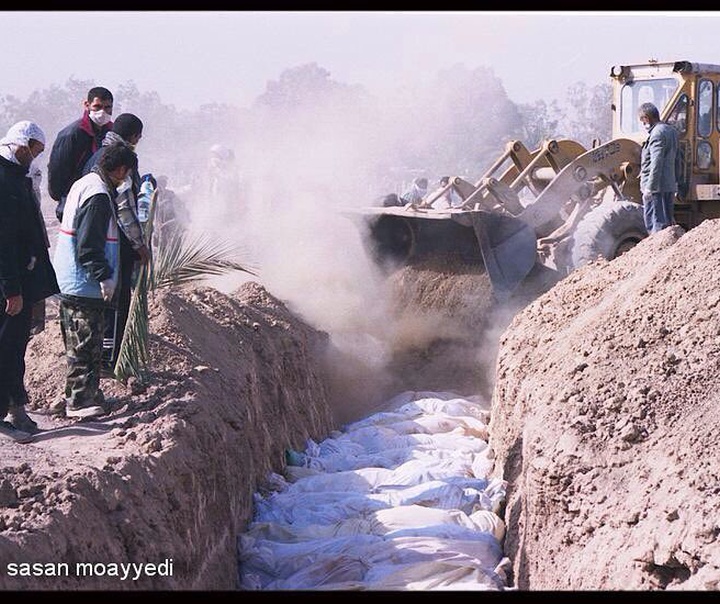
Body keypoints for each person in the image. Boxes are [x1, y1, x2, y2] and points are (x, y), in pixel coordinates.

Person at [52, 144, 139, 419]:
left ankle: (85, 394)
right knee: (86, 347)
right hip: (84, 284)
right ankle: (78, 402)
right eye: (126, 175)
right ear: (122, 170)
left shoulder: (86, 184)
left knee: (81, 343)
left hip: (72, 281)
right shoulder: (99, 196)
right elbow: (89, 245)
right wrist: (103, 276)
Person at [0, 121, 59, 439]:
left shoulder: (16, 178)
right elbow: (3, 241)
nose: (34, 157)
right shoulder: (4, 180)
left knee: (14, 347)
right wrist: (11, 288)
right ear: (21, 145)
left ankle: (16, 408)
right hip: (9, 283)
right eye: (34, 150)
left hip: (23, 278)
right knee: (5, 347)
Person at [82, 113, 151, 374]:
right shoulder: (122, 160)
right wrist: (139, 244)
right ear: (134, 136)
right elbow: (124, 208)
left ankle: (104, 357)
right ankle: (112, 360)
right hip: (116, 244)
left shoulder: (97, 154)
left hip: (100, 240)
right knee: (117, 304)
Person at [47, 86, 114, 222]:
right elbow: (56, 175)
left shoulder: (111, 135)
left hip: (100, 202)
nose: (102, 112)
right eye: (97, 107)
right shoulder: (72, 135)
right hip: (74, 204)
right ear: (86, 105)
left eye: (107, 108)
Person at [638, 102, 679, 234]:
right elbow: (677, 159)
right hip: (668, 185)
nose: (643, 125)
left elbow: (656, 162)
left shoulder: (656, 134)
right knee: (667, 225)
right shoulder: (671, 131)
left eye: (642, 120)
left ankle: (658, 252)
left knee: (656, 227)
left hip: (656, 189)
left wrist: (650, 187)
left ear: (646, 118)